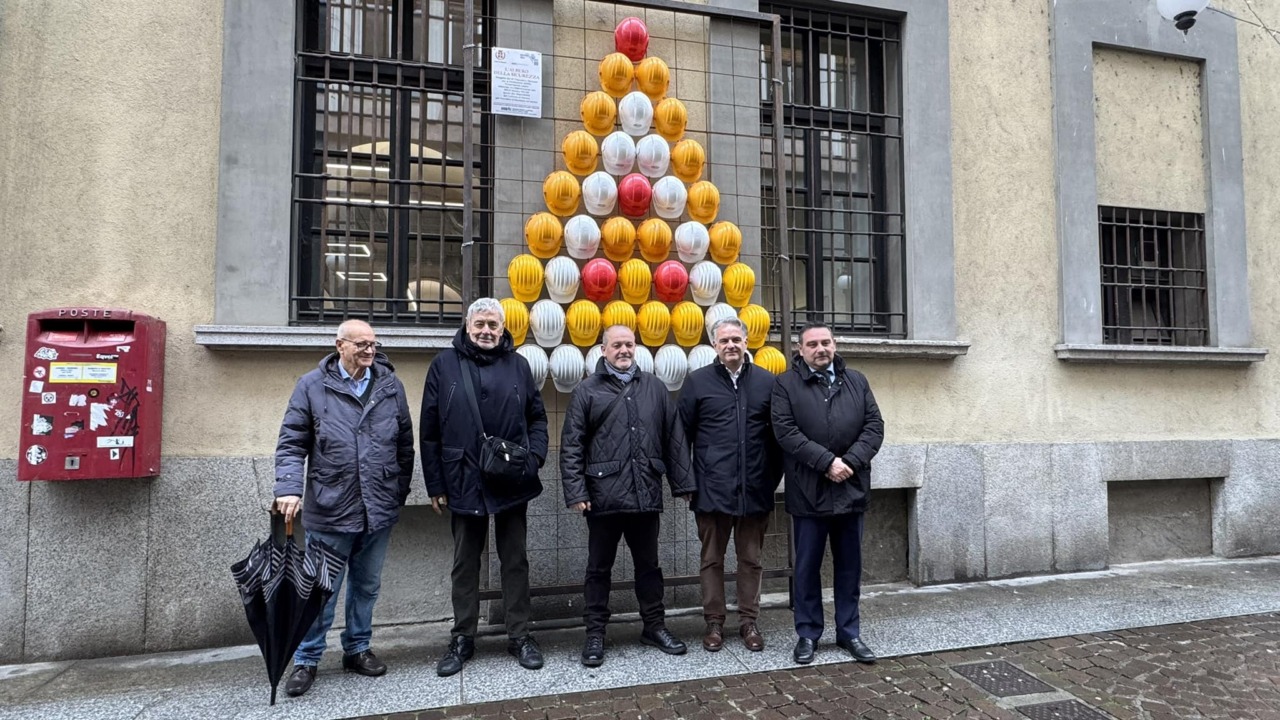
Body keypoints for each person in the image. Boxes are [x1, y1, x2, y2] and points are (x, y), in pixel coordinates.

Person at [274, 319, 416, 698]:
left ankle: (357, 648)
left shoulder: (389, 385)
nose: (369, 350)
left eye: (373, 344)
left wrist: (396, 492)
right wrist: (288, 488)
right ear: (340, 345)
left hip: (378, 507)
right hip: (331, 505)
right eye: (361, 344)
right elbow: (291, 442)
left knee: (366, 586)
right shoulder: (312, 386)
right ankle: (306, 657)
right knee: (322, 589)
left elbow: (405, 445)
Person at [420, 298, 549, 677]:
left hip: (512, 479)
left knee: (515, 560)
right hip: (462, 477)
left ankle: (520, 635)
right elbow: (430, 431)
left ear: (504, 326)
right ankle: (462, 637)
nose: (486, 331)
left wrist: (535, 457)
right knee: (464, 563)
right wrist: (435, 483)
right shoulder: (444, 365)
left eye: (493, 324)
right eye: (480, 324)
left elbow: (537, 417)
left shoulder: (519, 365)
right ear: (467, 324)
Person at [560, 324, 695, 667]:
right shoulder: (587, 390)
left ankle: (654, 626)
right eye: (616, 345)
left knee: (649, 567)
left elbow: (674, 438)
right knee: (598, 569)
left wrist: (684, 485)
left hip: (645, 492)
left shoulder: (654, 388)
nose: (624, 350)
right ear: (603, 350)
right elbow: (572, 445)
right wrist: (576, 491)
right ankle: (594, 634)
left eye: (629, 344)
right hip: (602, 497)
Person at [771, 322, 884, 666]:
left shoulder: (857, 381)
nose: (820, 349)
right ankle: (808, 633)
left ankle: (850, 632)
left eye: (826, 342)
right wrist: (826, 462)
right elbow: (785, 432)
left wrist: (849, 462)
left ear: (835, 345)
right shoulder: (785, 384)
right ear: (800, 350)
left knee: (849, 567)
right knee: (807, 568)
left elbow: (874, 426)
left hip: (851, 488)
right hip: (809, 491)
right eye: (812, 344)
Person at [678, 317, 783, 653]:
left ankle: (749, 621)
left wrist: (770, 479)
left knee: (751, 559)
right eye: (724, 341)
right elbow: (680, 437)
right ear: (714, 345)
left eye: (736, 339)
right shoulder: (697, 383)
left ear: (747, 341)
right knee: (712, 559)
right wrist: (687, 482)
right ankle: (714, 622)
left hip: (755, 488)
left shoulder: (768, 383)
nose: (731, 346)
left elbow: (779, 438)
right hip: (711, 489)